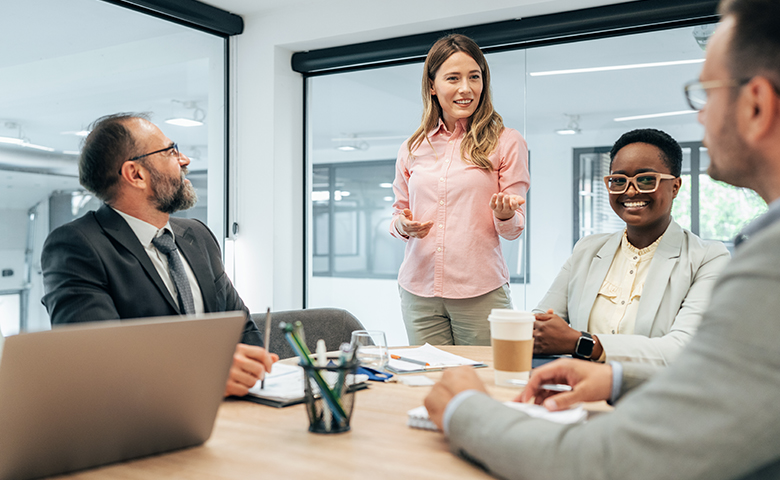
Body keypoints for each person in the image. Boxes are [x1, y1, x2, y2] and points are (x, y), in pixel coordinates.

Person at [424, 0, 780, 477]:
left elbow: (609, 459)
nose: (700, 116)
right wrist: (613, 376)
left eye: (705, 93)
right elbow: (545, 324)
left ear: (756, 104)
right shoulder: (590, 249)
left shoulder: (743, 260)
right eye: (618, 180)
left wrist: (463, 407)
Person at [41, 113, 277, 398]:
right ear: (136, 174)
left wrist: (256, 370)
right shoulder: (77, 246)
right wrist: (204, 375)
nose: (185, 160)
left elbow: (242, 330)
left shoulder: (197, 235)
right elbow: (96, 359)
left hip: (236, 411)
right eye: (171, 151)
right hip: (145, 427)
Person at [532, 129, 729, 365]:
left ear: (675, 186)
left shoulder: (708, 258)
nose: (631, 191)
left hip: (656, 395)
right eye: (618, 180)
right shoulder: (587, 249)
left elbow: (682, 348)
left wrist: (581, 343)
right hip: (580, 390)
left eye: (646, 179)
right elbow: (540, 321)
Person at [390, 34, 530, 346]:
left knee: (484, 382)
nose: (466, 89)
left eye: (474, 77)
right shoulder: (412, 147)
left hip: (479, 291)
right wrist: (403, 224)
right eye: (453, 78)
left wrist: (506, 215)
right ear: (432, 85)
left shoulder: (507, 141)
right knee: (433, 382)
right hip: (418, 290)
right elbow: (398, 213)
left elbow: (513, 230)